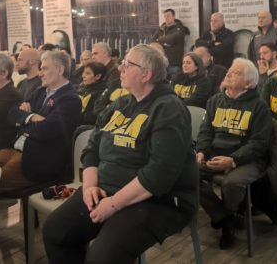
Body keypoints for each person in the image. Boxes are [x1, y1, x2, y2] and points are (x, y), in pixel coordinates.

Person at [42, 44, 196, 264]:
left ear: (146, 74)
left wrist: (114, 204)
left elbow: (159, 174)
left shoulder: (169, 108)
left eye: (127, 64)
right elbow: (92, 148)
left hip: (156, 201)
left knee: (103, 258)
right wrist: (89, 187)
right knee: (56, 231)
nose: (120, 68)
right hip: (105, 189)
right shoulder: (122, 103)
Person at [196, 58, 272, 249]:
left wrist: (233, 160)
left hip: (247, 159)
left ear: (248, 84)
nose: (228, 74)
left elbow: (259, 144)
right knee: (185, 173)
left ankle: (228, 217)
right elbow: (206, 131)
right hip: (215, 155)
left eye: (236, 73)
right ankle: (224, 217)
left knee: (232, 183)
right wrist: (201, 151)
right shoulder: (215, 101)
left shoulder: (259, 106)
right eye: (230, 70)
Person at [0, 51, 82, 192]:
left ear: (59, 70)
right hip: (14, 150)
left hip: (36, 160)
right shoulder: (41, 91)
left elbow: (45, 130)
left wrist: (24, 119)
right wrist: (32, 117)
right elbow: (12, 114)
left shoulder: (70, 99)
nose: (40, 74)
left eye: (44, 68)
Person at [151, 8, 189, 78]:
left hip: (174, 64)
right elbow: (152, 41)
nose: (166, 18)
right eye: (165, 16)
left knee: (175, 83)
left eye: (168, 16)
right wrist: (164, 42)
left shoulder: (180, 28)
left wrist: (159, 40)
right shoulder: (161, 29)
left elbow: (172, 39)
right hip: (162, 64)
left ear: (173, 17)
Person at [92, 42, 126, 115]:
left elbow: (110, 94)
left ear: (105, 53)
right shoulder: (103, 69)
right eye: (92, 54)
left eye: (95, 53)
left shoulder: (115, 70)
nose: (93, 57)